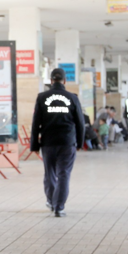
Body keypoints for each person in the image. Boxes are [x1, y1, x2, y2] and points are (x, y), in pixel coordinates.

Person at [30, 68, 85, 217]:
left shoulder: (42, 97)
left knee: (50, 173)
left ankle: (50, 200)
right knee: (64, 174)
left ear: (51, 80)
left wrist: (34, 144)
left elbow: (36, 123)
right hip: (67, 142)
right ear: (65, 81)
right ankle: (59, 207)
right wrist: (80, 143)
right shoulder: (72, 98)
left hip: (48, 142)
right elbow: (80, 123)